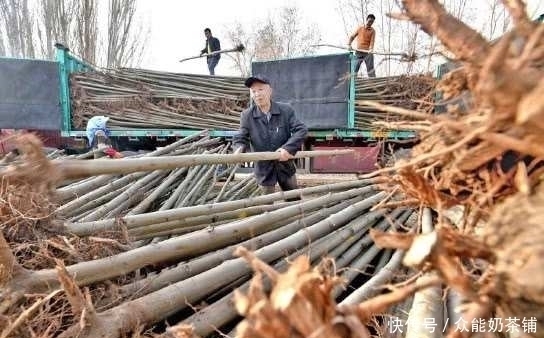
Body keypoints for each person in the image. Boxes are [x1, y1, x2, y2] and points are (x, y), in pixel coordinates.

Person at [233, 75, 308, 197]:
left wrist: (288, 148)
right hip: (264, 169)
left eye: (261, 89)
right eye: (253, 91)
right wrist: (239, 148)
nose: (257, 94)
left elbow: (301, 130)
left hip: (285, 165)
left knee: (294, 201)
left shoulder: (285, 110)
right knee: (266, 206)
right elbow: (240, 137)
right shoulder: (247, 115)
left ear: (270, 91)